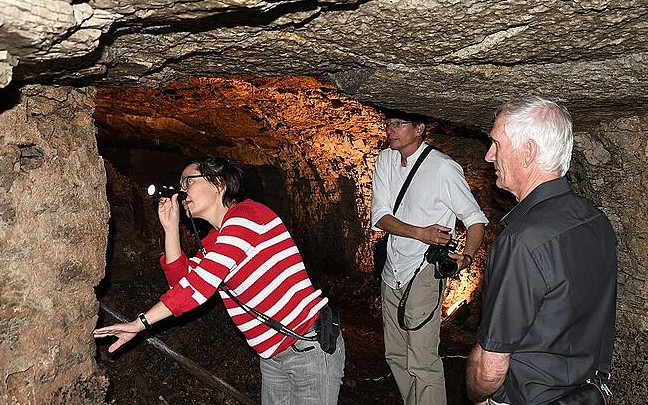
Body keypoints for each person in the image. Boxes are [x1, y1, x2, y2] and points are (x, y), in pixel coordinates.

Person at [94, 156, 345, 405]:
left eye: (188, 182)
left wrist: (140, 324)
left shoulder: (248, 216)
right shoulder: (217, 240)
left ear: (218, 183)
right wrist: (171, 230)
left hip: (308, 346)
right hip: (272, 356)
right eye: (180, 186)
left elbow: (197, 288)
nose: (182, 191)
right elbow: (182, 283)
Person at [466, 97, 617, 405]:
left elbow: (491, 367)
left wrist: (477, 396)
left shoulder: (521, 241)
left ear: (529, 152)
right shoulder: (596, 220)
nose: (488, 155)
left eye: (496, 144)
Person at [371, 113, 488, 405]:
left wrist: (467, 258)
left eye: (399, 124)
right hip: (393, 269)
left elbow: (475, 220)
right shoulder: (385, 160)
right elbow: (380, 217)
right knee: (395, 354)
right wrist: (419, 232)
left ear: (419, 129)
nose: (391, 130)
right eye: (389, 124)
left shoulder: (444, 168)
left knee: (422, 358)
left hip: (424, 269)